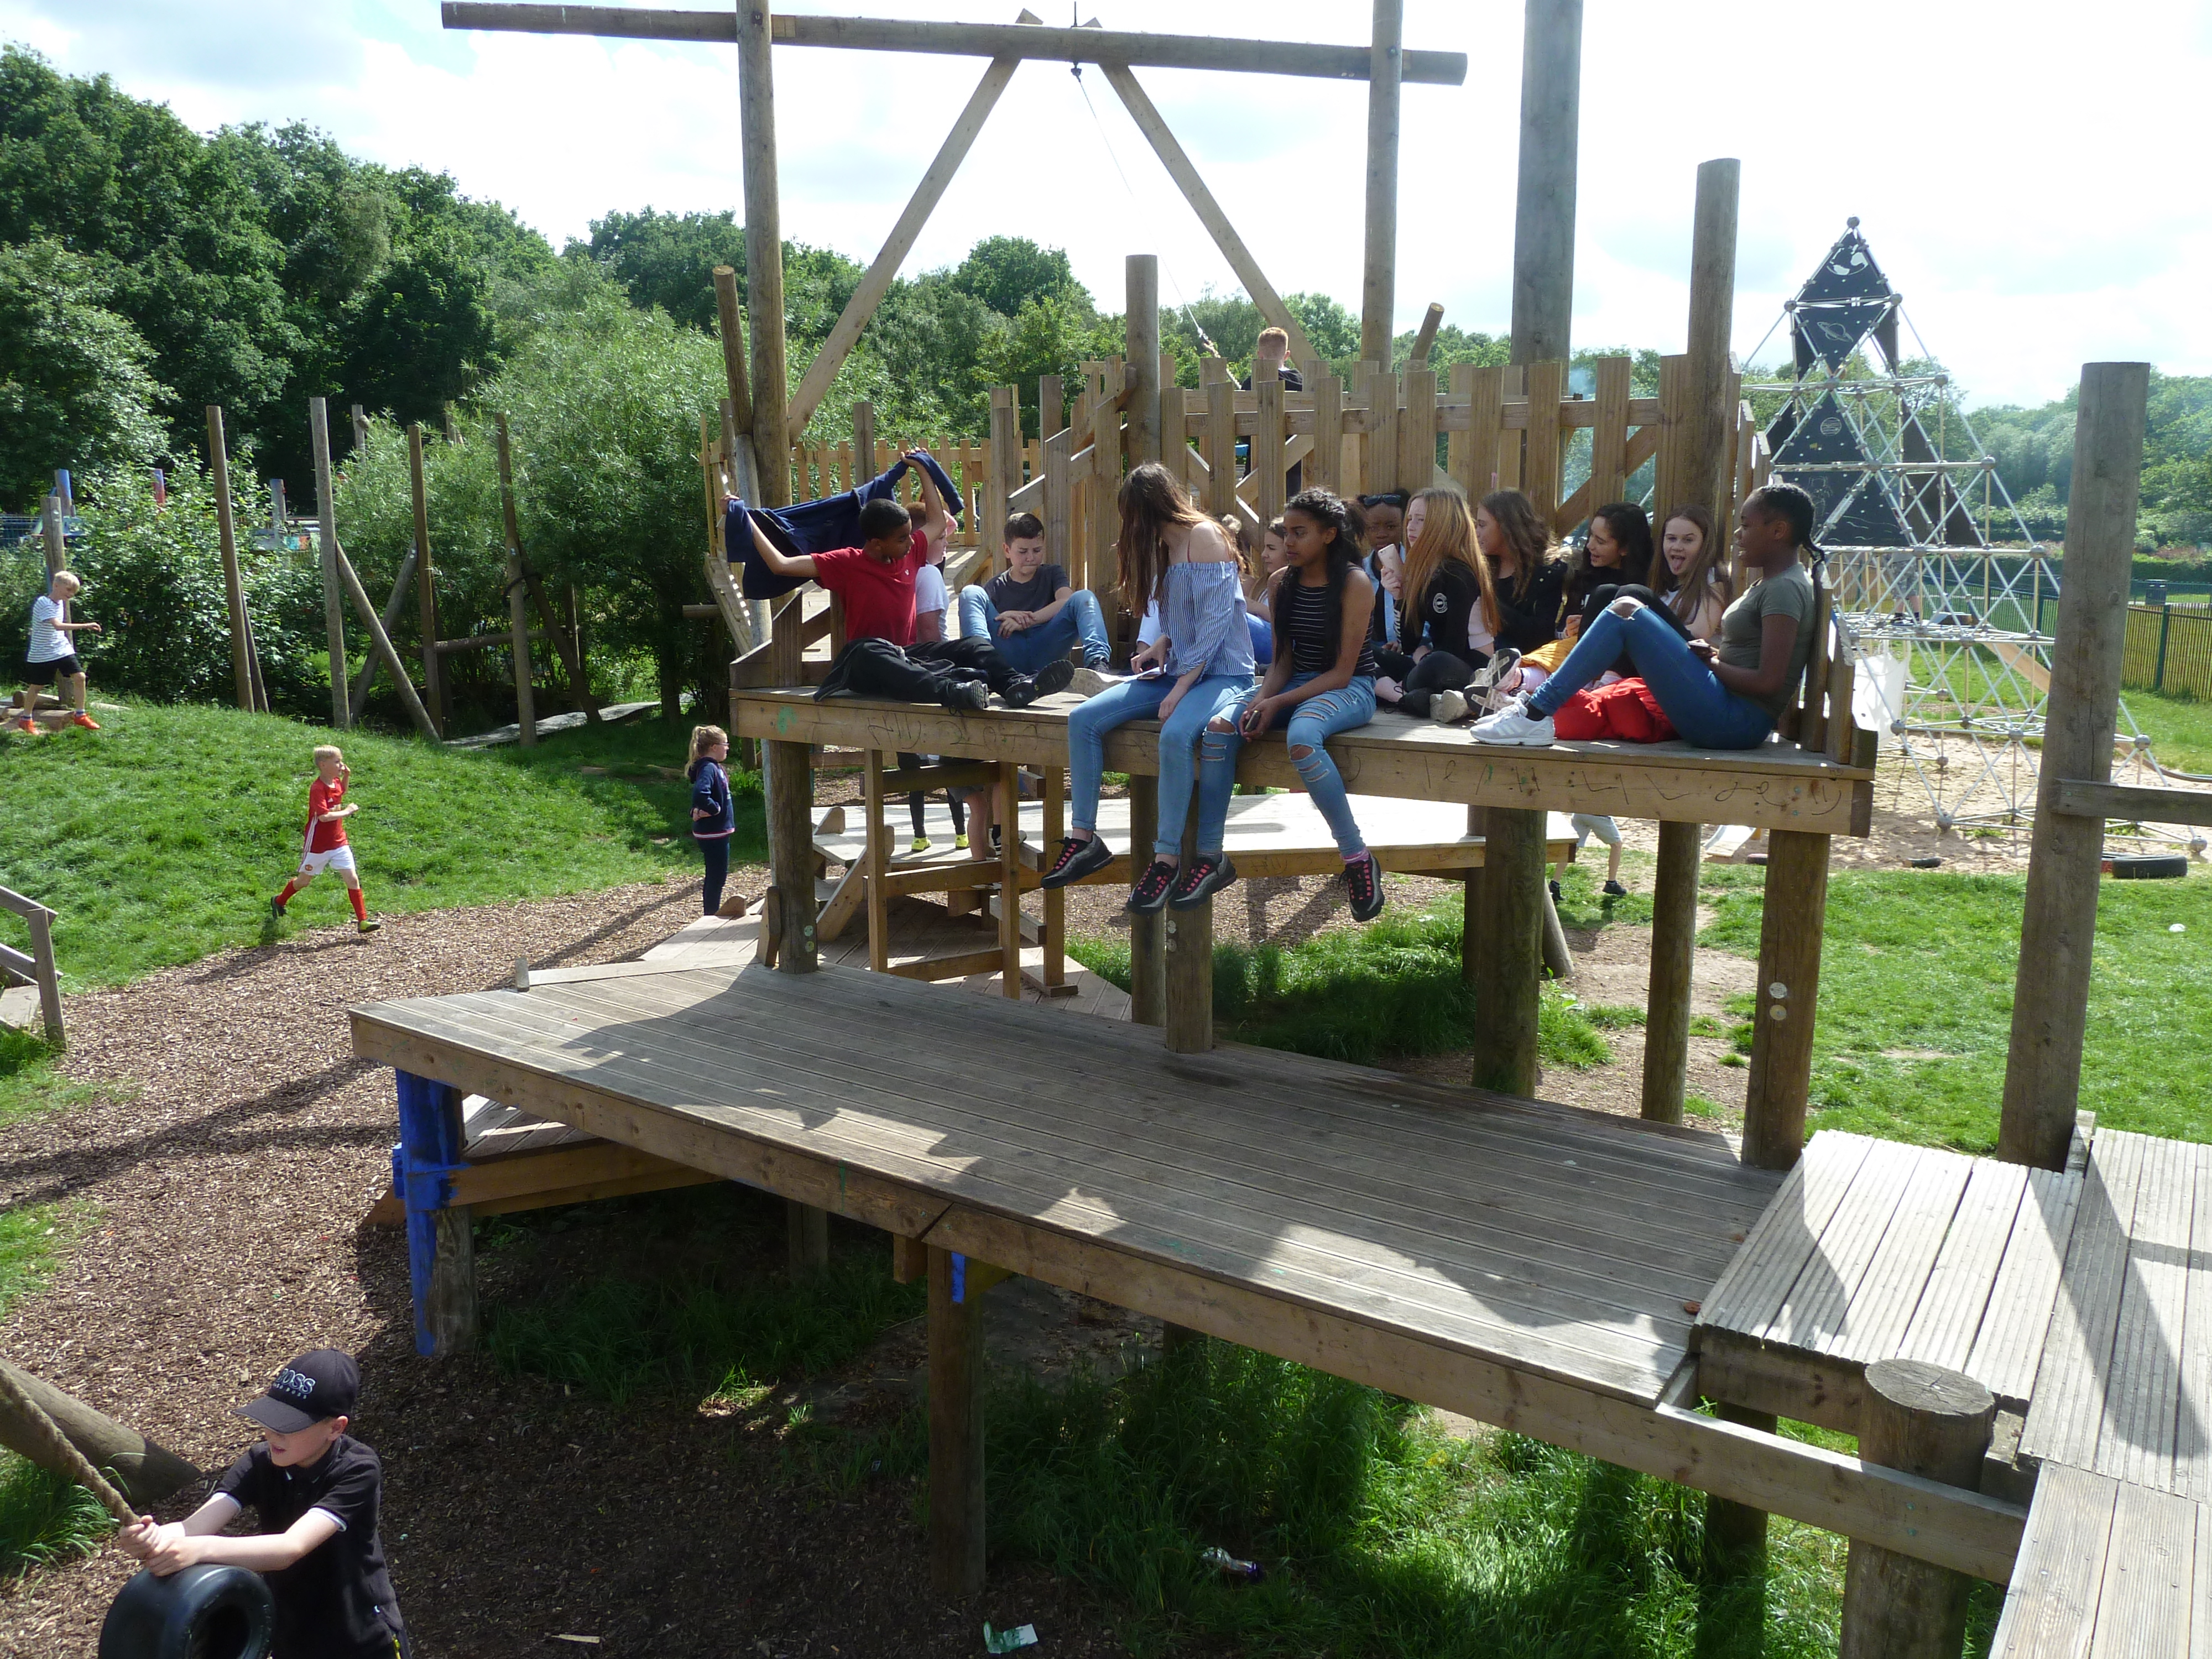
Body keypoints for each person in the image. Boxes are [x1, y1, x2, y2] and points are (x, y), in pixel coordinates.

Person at [1039, 462, 1256, 911]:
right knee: (1082, 719)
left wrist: (1180, 690)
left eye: (1129, 515)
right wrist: (1160, 645)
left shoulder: (1206, 538)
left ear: (1148, 507)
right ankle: (1084, 839)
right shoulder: (1164, 548)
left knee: (1176, 735)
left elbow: (1216, 627)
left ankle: (1166, 858)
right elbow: (1187, 621)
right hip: (1178, 669)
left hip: (1224, 673)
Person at [1470, 482, 1823, 751]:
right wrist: (1713, 658)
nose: (1738, 534)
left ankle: (1535, 711)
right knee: (1623, 602)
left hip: (1734, 722)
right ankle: (1535, 707)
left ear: (1778, 531)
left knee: (1627, 610)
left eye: (1747, 525)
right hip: (1722, 706)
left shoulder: (1784, 589)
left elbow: (1769, 683)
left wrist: (1713, 664)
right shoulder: (1776, 582)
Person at [118, 1348, 410, 1659]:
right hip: (291, 1638)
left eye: (289, 1426)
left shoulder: (358, 1469)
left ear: (336, 1428)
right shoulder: (261, 1461)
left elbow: (290, 1548)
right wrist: (151, 1539)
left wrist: (201, 1551)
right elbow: (193, 1528)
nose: (273, 1434)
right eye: (271, 1420)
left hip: (361, 1641)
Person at [741, 459, 1072, 711]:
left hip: (910, 655)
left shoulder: (910, 552)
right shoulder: (846, 561)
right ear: (875, 543)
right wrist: (748, 522)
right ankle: (953, 693)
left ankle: (1017, 686)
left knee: (973, 646)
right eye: (900, 539)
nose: (910, 543)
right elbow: (780, 565)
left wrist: (923, 469)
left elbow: (938, 520)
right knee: (867, 649)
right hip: (871, 663)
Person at [1211, 488, 1387, 920]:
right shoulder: (1280, 582)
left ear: (1329, 535)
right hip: (1298, 683)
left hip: (1350, 689)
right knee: (1219, 727)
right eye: (1286, 532)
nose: (1288, 542)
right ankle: (1208, 855)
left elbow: (1344, 673)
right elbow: (1282, 663)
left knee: (1303, 738)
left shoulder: (1355, 582)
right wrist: (1261, 700)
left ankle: (1357, 858)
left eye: (1299, 533)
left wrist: (1278, 703)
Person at [1373, 487, 1500, 722]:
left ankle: (1395, 692)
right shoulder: (1424, 570)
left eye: (1421, 520)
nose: (1410, 527)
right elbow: (1410, 643)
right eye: (1410, 519)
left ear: (1443, 525)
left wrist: (1421, 657)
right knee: (1368, 653)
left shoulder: (1459, 574)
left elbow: (1453, 648)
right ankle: (1406, 697)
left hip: (1468, 667)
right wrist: (1401, 596)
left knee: (1436, 662)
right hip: (1431, 663)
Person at [957, 512, 1111, 674]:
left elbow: (1066, 600)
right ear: (1007, 550)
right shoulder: (995, 586)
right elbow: (984, 621)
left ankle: (1098, 664)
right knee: (971, 592)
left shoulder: (1052, 573)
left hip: (1046, 648)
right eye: (1023, 552)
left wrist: (1028, 620)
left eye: (1037, 550)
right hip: (1008, 651)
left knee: (1084, 597)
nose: (1031, 558)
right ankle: (980, 662)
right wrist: (1009, 615)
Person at [1522, 502, 1657, 687]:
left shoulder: (1641, 586)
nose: (1590, 546)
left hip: (1612, 665)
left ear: (1625, 549)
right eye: (1591, 535)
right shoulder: (1587, 576)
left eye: (1601, 542)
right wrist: (1570, 628)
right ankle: (1514, 681)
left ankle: (1519, 680)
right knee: (1557, 649)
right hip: (1573, 650)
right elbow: (1561, 630)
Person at [272, 746, 380, 935]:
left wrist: (347, 777)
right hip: (318, 845)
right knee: (303, 882)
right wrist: (347, 812)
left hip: (339, 841)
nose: (341, 765)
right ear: (323, 765)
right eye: (337, 762)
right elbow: (323, 816)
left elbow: (341, 792)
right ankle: (279, 901)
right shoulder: (317, 788)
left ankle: (363, 921)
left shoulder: (336, 781)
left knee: (352, 878)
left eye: (341, 761)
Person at [11, 568, 101, 731]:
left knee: (80, 677)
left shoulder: (59, 603)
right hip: (42, 653)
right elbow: (58, 626)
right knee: (36, 687)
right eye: (69, 590)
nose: (71, 594)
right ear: (56, 585)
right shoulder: (43, 602)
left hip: (60, 648)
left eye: (74, 592)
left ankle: (80, 715)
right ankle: (26, 719)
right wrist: (86, 625)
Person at [688, 724, 736, 915]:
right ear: (714, 747)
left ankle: (711, 913)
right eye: (725, 744)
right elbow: (701, 793)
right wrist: (714, 808)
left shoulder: (712, 767)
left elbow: (698, 798)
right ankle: (710, 916)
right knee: (717, 877)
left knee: (716, 876)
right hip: (713, 833)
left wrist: (695, 809)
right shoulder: (708, 767)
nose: (728, 748)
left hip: (715, 831)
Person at [1357, 493, 1406, 645]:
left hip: (1411, 654)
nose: (1381, 534)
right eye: (1373, 528)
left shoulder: (1417, 569)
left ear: (1404, 527)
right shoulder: (1358, 573)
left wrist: (1402, 643)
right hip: (1370, 656)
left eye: (1391, 527)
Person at [1571, 813, 1629, 897]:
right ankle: (1611, 883)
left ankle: (1555, 883)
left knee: (1572, 847)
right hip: (1597, 815)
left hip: (1578, 813)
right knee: (1617, 845)